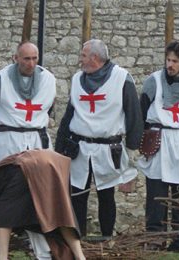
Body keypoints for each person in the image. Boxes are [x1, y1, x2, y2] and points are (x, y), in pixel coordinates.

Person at [55, 39, 143, 237]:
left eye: (83, 55)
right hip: (80, 147)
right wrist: (59, 148)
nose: (80, 60)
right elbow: (70, 114)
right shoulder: (78, 79)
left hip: (108, 148)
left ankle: (106, 239)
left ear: (94, 58)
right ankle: (79, 240)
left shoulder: (121, 78)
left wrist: (132, 151)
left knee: (106, 195)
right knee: (77, 195)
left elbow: (133, 114)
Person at [0, 41, 56, 258]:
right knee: (2, 190)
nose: (31, 63)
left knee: (40, 193)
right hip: (7, 139)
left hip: (36, 140)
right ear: (15, 58)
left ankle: (38, 240)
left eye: (35, 58)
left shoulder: (48, 79)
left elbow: (49, 108)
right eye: (26, 58)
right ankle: (1, 237)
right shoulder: (1, 79)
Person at [0, 150, 86, 260]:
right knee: (61, 211)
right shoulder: (6, 174)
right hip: (53, 162)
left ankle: (1, 257)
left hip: (30, 165)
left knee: (4, 213)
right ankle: (80, 256)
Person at [137, 41, 179, 253]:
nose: (170, 65)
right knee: (156, 193)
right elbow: (142, 112)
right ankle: (155, 240)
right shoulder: (154, 81)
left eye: (175, 61)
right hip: (159, 138)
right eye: (168, 60)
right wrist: (143, 139)